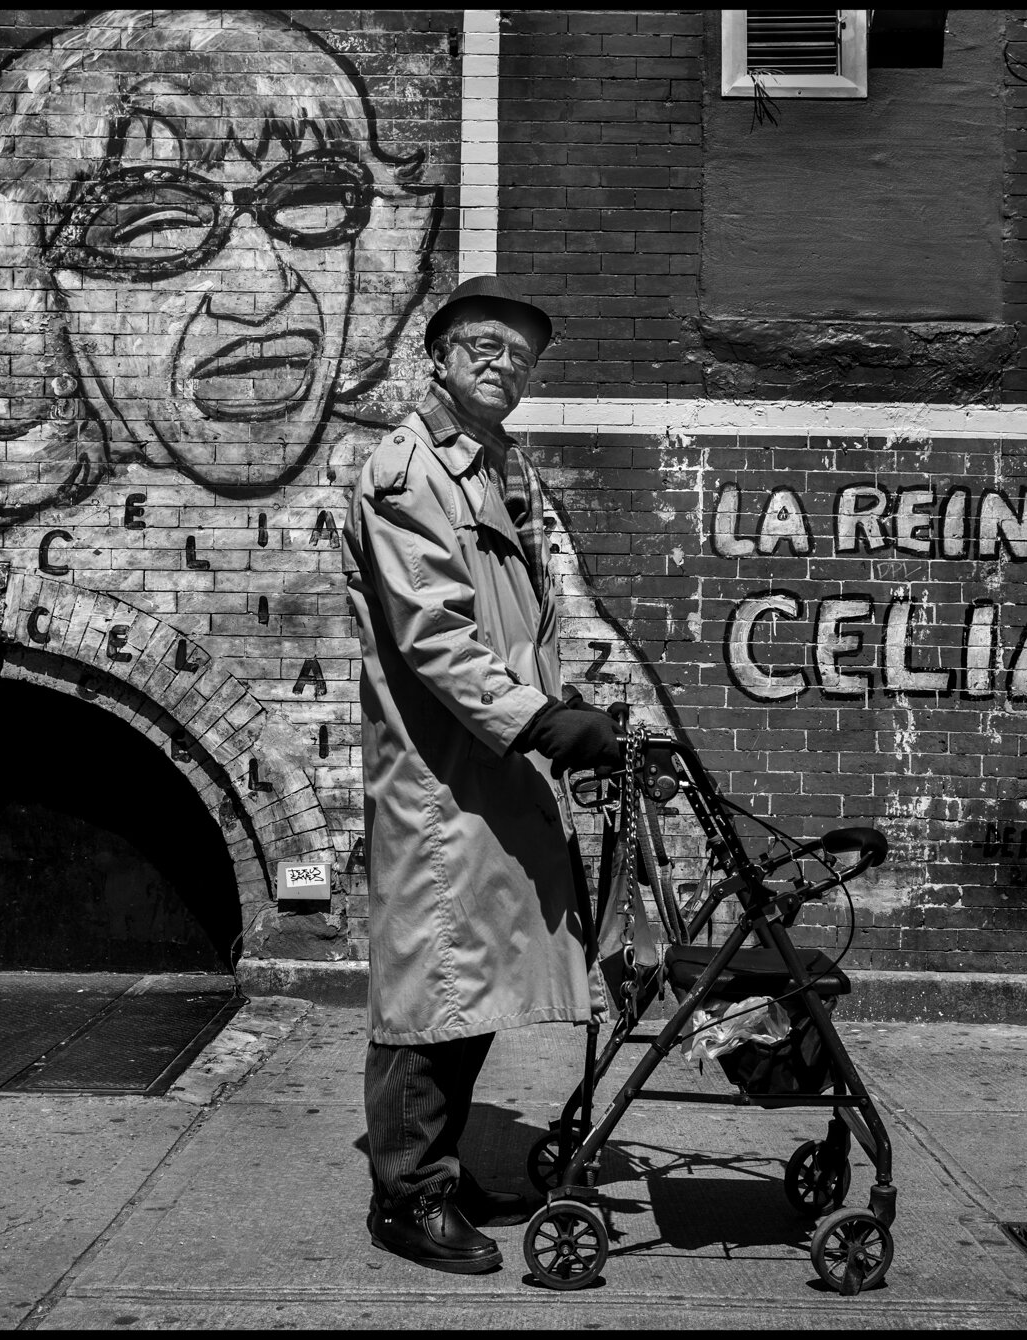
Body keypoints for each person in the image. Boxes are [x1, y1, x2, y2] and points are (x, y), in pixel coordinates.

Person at [343, 276, 624, 1273]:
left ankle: (439, 1173)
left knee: (469, 986)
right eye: (485, 348)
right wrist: (542, 721)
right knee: (432, 984)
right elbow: (435, 637)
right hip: (441, 773)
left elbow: (520, 621)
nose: (504, 365)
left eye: (521, 354)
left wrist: (564, 707)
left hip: (488, 769)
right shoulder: (408, 470)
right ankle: (405, 1196)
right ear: (441, 358)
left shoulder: (493, 467)